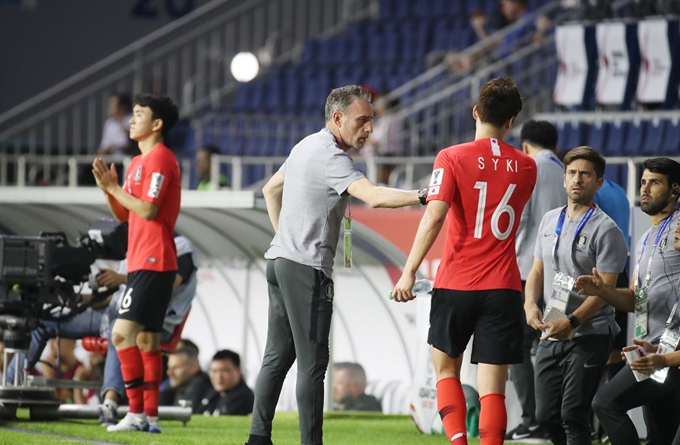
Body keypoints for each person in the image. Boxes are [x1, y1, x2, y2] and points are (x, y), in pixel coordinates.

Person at [245, 85, 427, 445]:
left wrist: (284, 238)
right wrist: (425, 194)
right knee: (313, 366)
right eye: (362, 121)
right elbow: (374, 197)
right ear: (338, 118)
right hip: (305, 269)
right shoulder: (333, 158)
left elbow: (270, 189)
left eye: (372, 122)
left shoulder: (304, 145)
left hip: (279, 261)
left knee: (276, 358)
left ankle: (258, 438)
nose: (369, 129)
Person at [392, 77, 536, 445]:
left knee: (445, 372)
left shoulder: (452, 157)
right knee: (493, 388)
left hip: (456, 282)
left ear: (475, 112)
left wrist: (409, 272)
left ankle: (458, 441)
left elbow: (435, 216)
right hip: (503, 286)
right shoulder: (526, 166)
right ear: (511, 122)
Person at [525, 146, 627, 445]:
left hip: (589, 333)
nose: (577, 179)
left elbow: (606, 291)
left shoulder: (607, 230)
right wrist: (530, 304)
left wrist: (571, 320)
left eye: (585, 174)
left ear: (598, 182)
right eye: (571, 173)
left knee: (573, 414)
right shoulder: (548, 220)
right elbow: (536, 272)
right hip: (551, 327)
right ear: (563, 179)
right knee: (545, 416)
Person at [92, 92, 181, 434]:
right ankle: (151, 417)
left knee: (120, 333)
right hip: (146, 258)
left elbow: (148, 209)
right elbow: (126, 215)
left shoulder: (160, 159)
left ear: (156, 124)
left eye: (139, 114)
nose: (131, 120)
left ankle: (134, 413)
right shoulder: (137, 163)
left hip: (153, 259)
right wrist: (108, 188)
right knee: (146, 342)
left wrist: (115, 190)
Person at [575, 157, 680, 445]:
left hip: (671, 351)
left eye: (655, 183)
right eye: (643, 181)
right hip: (650, 348)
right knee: (662, 434)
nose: (644, 188)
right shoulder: (645, 237)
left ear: (675, 190)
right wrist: (603, 291)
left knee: (605, 403)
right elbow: (636, 299)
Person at [507, 120, 566, 441]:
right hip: (562, 279)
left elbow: (520, 218)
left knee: (518, 348)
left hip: (526, 272)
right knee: (554, 345)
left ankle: (531, 420)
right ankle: (554, 421)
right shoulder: (569, 171)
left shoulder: (527, 167)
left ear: (525, 145)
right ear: (555, 146)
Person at [200, 349, 254, 416]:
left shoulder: (244, 399)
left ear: (238, 371)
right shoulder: (211, 395)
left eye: (225, 370)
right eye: (214, 371)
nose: (219, 376)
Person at [159, 348, 211, 413]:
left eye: (176, 367)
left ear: (193, 367)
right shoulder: (182, 385)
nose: (169, 372)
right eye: (169, 368)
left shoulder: (200, 386)